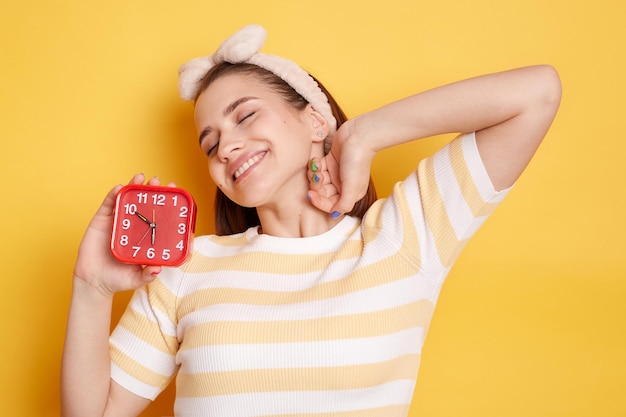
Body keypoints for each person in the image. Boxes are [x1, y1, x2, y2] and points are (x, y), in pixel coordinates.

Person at [61, 24, 561, 417]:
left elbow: (537, 92)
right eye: (210, 144)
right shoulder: (187, 270)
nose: (227, 146)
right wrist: (91, 288)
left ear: (314, 119)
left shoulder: (403, 237)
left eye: (246, 115)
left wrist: (361, 136)